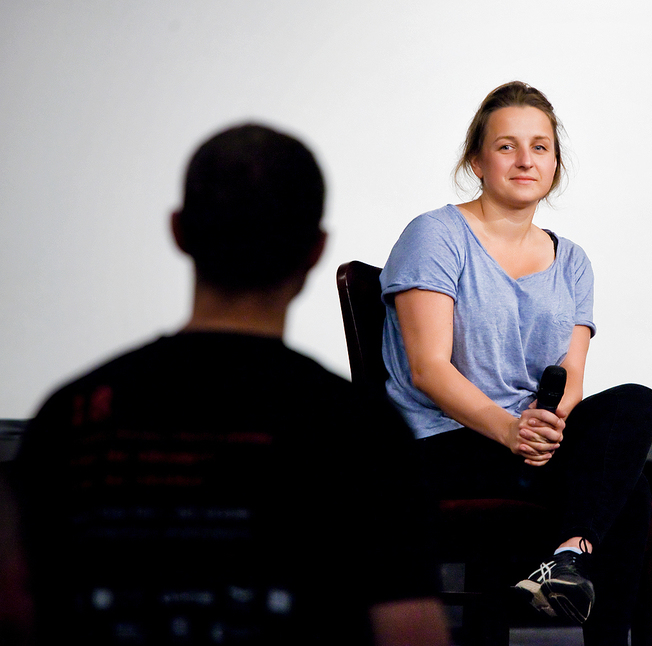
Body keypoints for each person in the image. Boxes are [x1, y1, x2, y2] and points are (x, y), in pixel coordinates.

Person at [9, 124, 449, 645]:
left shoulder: (70, 416)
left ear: (178, 231)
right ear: (316, 249)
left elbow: (16, 612)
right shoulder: (364, 430)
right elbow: (410, 632)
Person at [379, 81, 652, 646]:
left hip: (528, 441)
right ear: (477, 162)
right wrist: (510, 429)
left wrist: (545, 427)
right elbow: (428, 369)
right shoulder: (436, 235)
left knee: (637, 402)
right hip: (445, 442)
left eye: (540, 147)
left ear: (555, 164)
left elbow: (571, 375)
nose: (525, 160)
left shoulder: (572, 260)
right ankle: (578, 579)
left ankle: (566, 558)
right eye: (506, 146)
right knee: (629, 493)